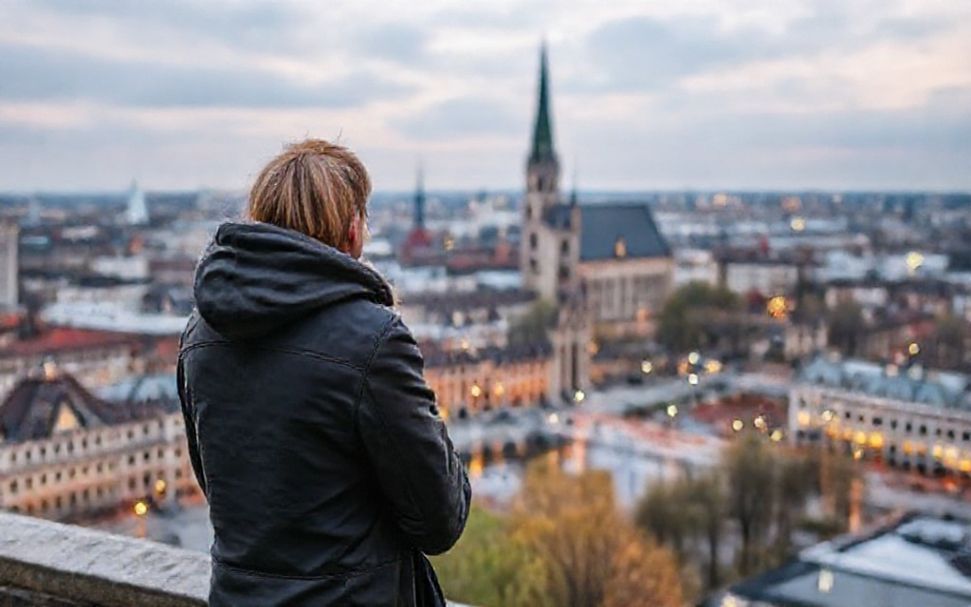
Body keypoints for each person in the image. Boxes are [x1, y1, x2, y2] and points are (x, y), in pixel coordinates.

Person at [178, 139, 470, 606]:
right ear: (352, 231)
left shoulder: (201, 333)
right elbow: (441, 519)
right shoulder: (374, 339)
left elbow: (222, 489)